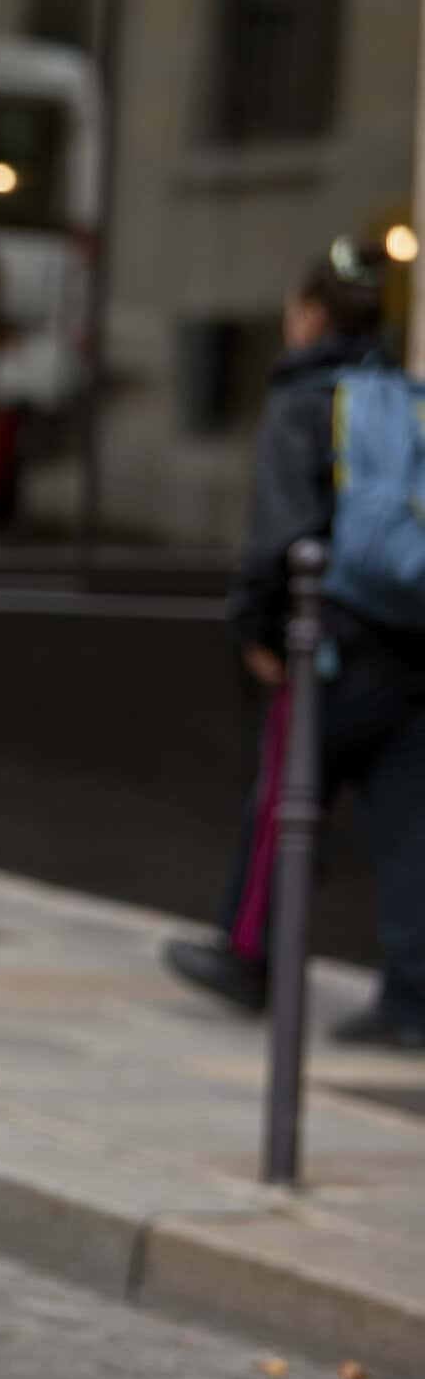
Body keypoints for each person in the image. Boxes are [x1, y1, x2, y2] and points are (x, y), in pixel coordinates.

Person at [165, 243, 425, 1048]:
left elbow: (279, 533)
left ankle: (248, 958)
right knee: (412, 826)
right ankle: (412, 1000)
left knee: (284, 803)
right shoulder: (403, 400)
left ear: (310, 314)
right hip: (413, 645)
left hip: (333, 642)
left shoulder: (301, 403)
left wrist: (257, 629)